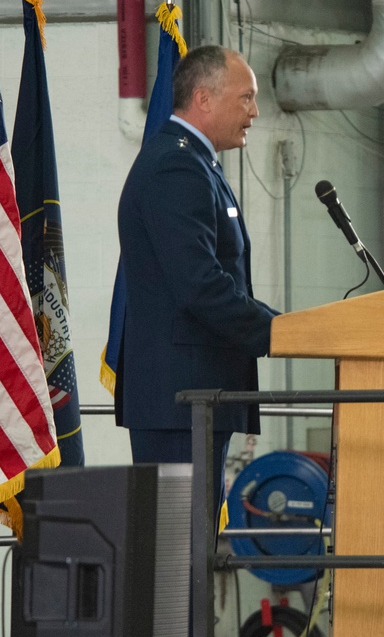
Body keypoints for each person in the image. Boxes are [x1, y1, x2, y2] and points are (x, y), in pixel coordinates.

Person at [115, 45, 279, 518]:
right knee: (177, 565)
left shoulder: (196, 164)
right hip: (180, 403)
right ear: (204, 99)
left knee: (188, 561)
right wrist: (278, 332)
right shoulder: (176, 166)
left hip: (194, 399)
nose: (255, 111)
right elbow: (199, 284)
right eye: (245, 98)